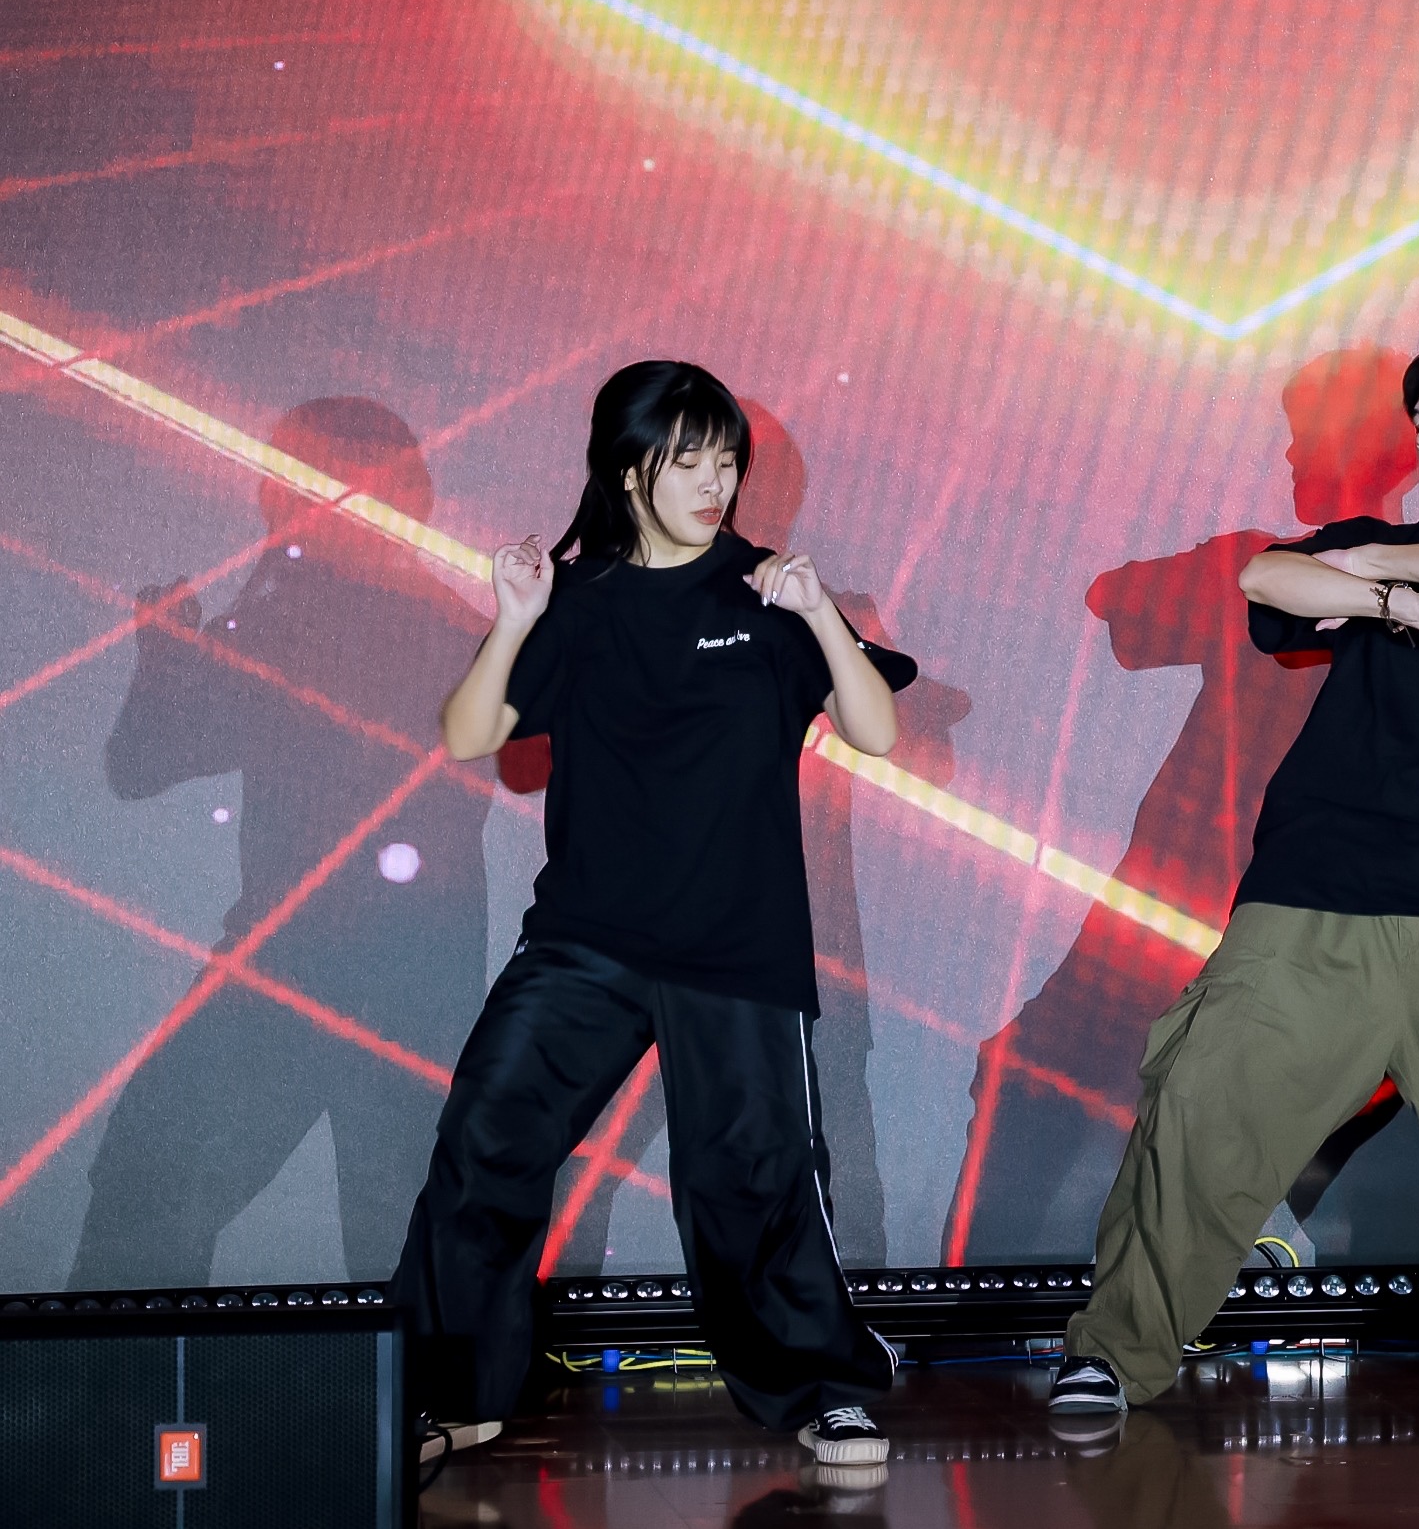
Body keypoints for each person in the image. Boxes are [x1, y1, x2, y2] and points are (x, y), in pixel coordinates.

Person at [1046, 328, 1419, 1421]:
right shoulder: (1379, 549)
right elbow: (1264, 575)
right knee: (1202, 1112)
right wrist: (1395, 602)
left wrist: (1363, 569)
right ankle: (1116, 1354)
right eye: (1418, 417)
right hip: (1314, 891)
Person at [391, 361, 917, 1472]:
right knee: (486, 1137)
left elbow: (875, 731)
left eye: (727, 461)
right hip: (586, 938)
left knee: (754, 1179)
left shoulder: (765, 595)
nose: (715, 483)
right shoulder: (577, 602)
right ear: (630, 471)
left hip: (736, 946)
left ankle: (822, 1389)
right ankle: (453, 1391)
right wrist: (514, 619)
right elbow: (469, 734)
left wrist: (821, 615)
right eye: (689, 461)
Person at [947, 349, 1419, 1266]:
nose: (1289, 452)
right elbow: (1113, 602)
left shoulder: (1271, 568)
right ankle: (1402, 1332)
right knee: (1368, 1151)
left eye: (1305, 432)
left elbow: (1116, 598)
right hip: (1289, 923)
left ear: (1358, 442)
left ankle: (976, 1315)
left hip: (1214, 916)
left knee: (1038, 1094)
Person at [72, 400, 489, 1288]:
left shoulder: (303, 622)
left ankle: (114, 1375)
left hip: (319, 972)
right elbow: (142, 765)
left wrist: (170, 656)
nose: (282, 504)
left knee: (150, 1195)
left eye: (295, 484)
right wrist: (173, 656)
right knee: (406, 1248)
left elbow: (140, 764)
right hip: (380, 979)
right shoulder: (436, 630)